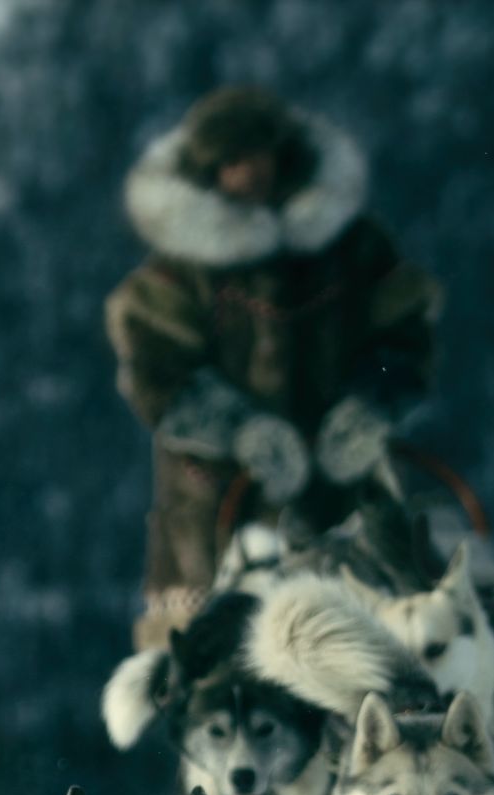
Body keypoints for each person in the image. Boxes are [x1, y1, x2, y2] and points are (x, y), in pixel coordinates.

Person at [106, 87, 442, 648]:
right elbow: (155, 372)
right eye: (230, 162)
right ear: (209, 172)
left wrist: (371, 405)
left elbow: (406, 335)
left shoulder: (354, 247)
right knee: (217, 655)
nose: (247, 173)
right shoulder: (178, 270)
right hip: (214, 501)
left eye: (256, 155)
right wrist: (240, 430)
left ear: (283, 155)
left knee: (399, 630)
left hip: (344, 478)